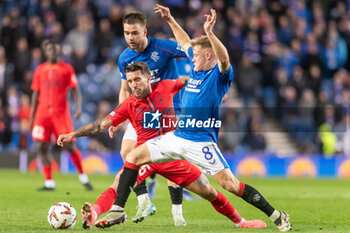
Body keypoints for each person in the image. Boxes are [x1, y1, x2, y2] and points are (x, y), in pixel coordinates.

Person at [86, 5, 292, 232]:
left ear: (207, 55)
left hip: (202, 141)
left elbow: (223, 58)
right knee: (133, 155)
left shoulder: (219, 76)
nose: (189, 57)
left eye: (194, 55)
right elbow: (185, 43)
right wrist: (171, 20)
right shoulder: (194, 71)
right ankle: (118, 210)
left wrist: (211, 34)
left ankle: (276, 215)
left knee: (229, 185)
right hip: (177, 136)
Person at [57, 62, 266, 229]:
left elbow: (188, 80)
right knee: (117, 184)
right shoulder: (129, 104)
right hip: (143, 156)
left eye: (137, 79)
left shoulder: (166, 86)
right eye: (130, 81)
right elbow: (99, 125)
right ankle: (93, 214)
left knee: (209, 192)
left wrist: (213, 90)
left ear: (148, 78)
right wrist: (72, 134)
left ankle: (241, 222)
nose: (133, 84)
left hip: (172, 155)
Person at [115, 11, 195, 223]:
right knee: (126, 152)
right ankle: (144, 203)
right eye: (126, 33)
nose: (130, 37)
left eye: (134, 33)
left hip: (168, 111)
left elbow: (190, 50)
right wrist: (121, 115)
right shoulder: (124, 58)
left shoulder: (163, 47)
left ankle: (177, 214)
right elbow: (124, 90)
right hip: (140, 112)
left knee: (172, 162)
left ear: (145, 31)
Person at [29, 39, 93, 191]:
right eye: (51, 50)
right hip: (42, 113)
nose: (54, 52)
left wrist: (78, 107)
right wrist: (32, 117)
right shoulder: (40, 70)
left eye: (56, 50)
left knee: (70, 145)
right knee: (41, 147)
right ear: (46, 52)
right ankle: (49, 182)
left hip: (60, 114)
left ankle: (83, 177)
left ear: (59, 52)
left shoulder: (66, 69)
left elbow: (75, 89)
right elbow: (35, 94)